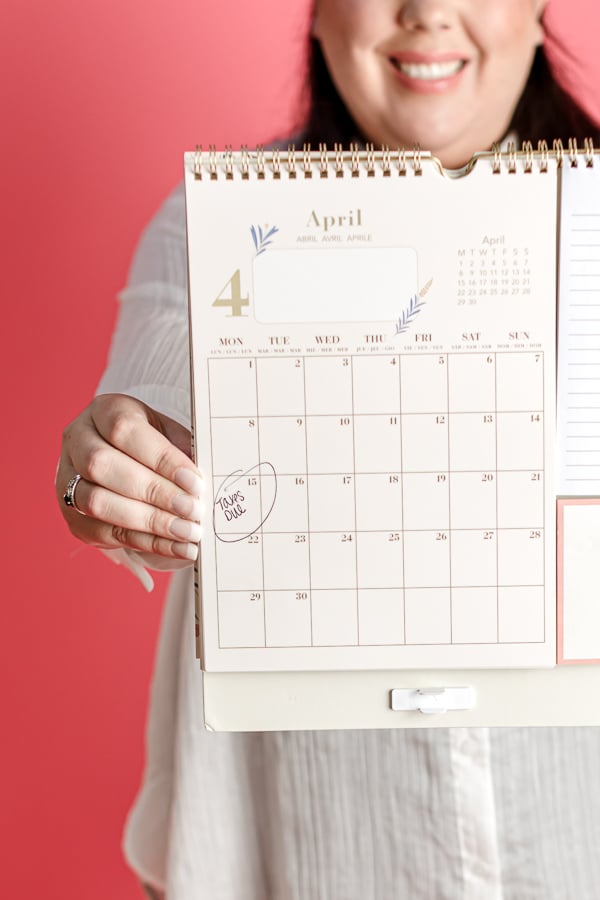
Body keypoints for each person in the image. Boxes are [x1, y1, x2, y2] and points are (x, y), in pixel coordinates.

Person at [57, 2, 600, 898]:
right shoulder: (211, 226)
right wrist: (105, 474)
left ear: (543, 10)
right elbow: (149, 405)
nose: (427, 11)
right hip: (315, 849)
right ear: (317, 14)